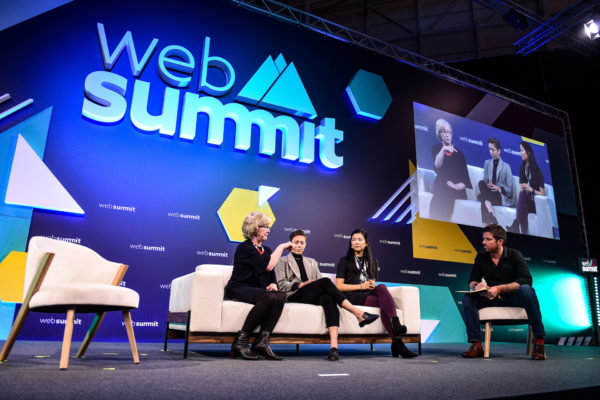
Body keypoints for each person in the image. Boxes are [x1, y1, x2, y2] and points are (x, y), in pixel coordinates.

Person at [276, 230, 379, 361]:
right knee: (326, 281)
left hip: (311, 295)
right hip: (295, 294)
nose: (299, 245)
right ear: (290, 244)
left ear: (305, 244)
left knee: (329, 298)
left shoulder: (311, 262)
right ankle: (357, 313)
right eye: (296, 242)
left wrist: (313, 285)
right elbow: (281, 284)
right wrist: (300, 285)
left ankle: (334, 347)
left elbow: (320, 282)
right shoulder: (283, 261)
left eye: (302, 243)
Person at [461, 224, 546, 360]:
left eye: (488, 239)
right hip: (491, 297)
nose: (483, 242)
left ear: (500, 241)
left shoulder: (514, 255)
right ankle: (476, 345)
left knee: (527, 290)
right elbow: (472, 280)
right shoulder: (481, 256)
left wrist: (500, 288)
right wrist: (477, 285)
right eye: (483, 239)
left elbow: (526, 280)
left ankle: (539, 342)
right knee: (468, 299)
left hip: (513, 297)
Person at [336, 229, 417, 358]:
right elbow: (339, 286)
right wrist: (361, 286)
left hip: (367, 293)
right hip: (353, 296)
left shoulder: (373, 262)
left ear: (366, 243)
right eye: (353, 240)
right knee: (385, 304)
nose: (356, 242)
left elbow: (372, 283)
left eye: (360, 239)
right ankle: (397, 341)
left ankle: (396, 333)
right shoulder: (344, 261)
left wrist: (371, 285)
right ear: (350, 243)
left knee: (382, 287)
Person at [225, 211, 292, 360]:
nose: (269, 230)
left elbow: (270, 273)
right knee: (268, 298)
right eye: (266, 226)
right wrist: (281, 247)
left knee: (280, 295)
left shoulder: (266, 250)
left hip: (256, 290)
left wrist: (273, 283)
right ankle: (241, 342)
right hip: (238, 288)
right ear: (255, 227)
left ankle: (262, 341)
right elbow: (268, 265)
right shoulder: (245, 248)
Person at [430, 118, 472, 221]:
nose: (447, 134)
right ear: (439, 134)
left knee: (447, 192)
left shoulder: (459, 153)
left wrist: (456, 186)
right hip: (441, 184)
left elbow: (465, 179)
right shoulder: (436, 148)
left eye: (449, 132)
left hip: (456, 189)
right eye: (444, 132)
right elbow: (437, 166)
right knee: (441, 190)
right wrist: (443, 150)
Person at [506, 141, 545, 234]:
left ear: (528, 152)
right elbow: (521, 189)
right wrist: (524, 188)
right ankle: (524, 233)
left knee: (523, 196)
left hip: (534, 202)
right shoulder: (522, 168)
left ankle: (515, 224)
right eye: (520, 151)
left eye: (522, 150)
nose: (521, 153)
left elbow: (542, 193)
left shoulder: (537, 171)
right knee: (524, 207)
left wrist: (531, 190)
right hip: (525, 200)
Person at [477, 138, 515, 225]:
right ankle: (491, 213)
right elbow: (485, 181)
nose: (491, 152)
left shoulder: (506, 167)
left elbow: (510, 190)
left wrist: (498, 188)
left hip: (499, 195)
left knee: (483, 197)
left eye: (493, 150)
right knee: (481, 183)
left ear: (499, 151)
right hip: (489, 192)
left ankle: (486, 222)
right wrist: (488, 184)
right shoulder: (487, 163)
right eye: (489, 149)